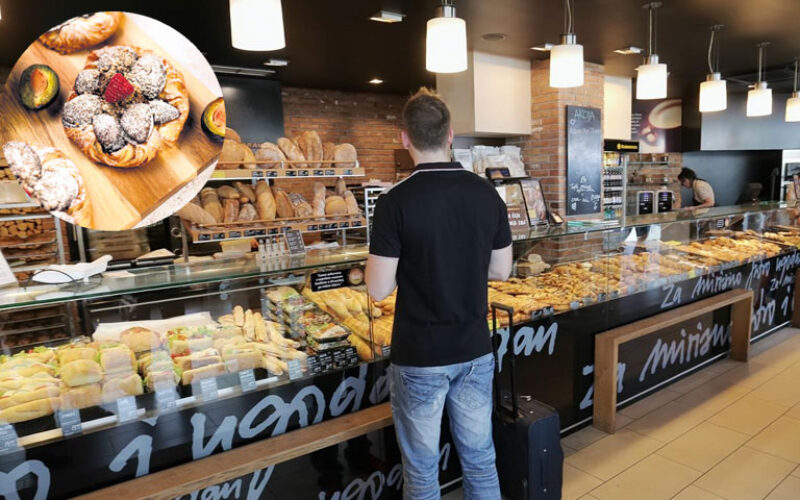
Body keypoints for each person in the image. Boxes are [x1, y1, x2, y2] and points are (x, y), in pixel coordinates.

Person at [366, 88, 512, 500]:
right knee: (480, 458)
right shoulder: (486, 193)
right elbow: (501, 270)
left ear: (405, 139)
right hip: (473, 347)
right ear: (450, 135)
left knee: (422, 468)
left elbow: (378, 288)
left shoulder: (394, 202)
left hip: (420, 355)